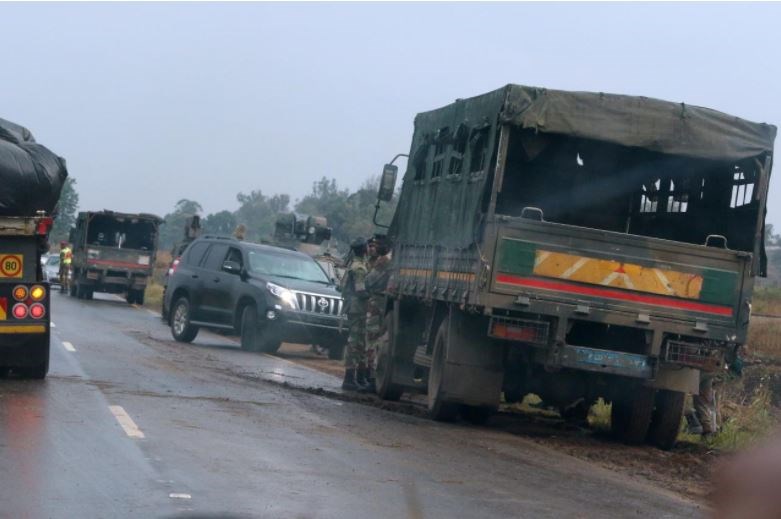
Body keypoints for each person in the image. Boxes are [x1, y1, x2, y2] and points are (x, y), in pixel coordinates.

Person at [340, 238, 369, 391]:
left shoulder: (354, 265)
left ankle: (358, 378)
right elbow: (360, 290)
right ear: (364, 250)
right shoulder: (359, 268)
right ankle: (349, 378)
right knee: (355, 343)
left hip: (354, 309)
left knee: (360, 343)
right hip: (358, 309)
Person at [364, 236, 391, 393]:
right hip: (383, 304)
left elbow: (369, 282)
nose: (374, 247)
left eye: (378, 245)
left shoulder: (383, 262)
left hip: (377, 304)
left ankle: (372, 379)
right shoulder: (389, 260)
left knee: (372, 342)